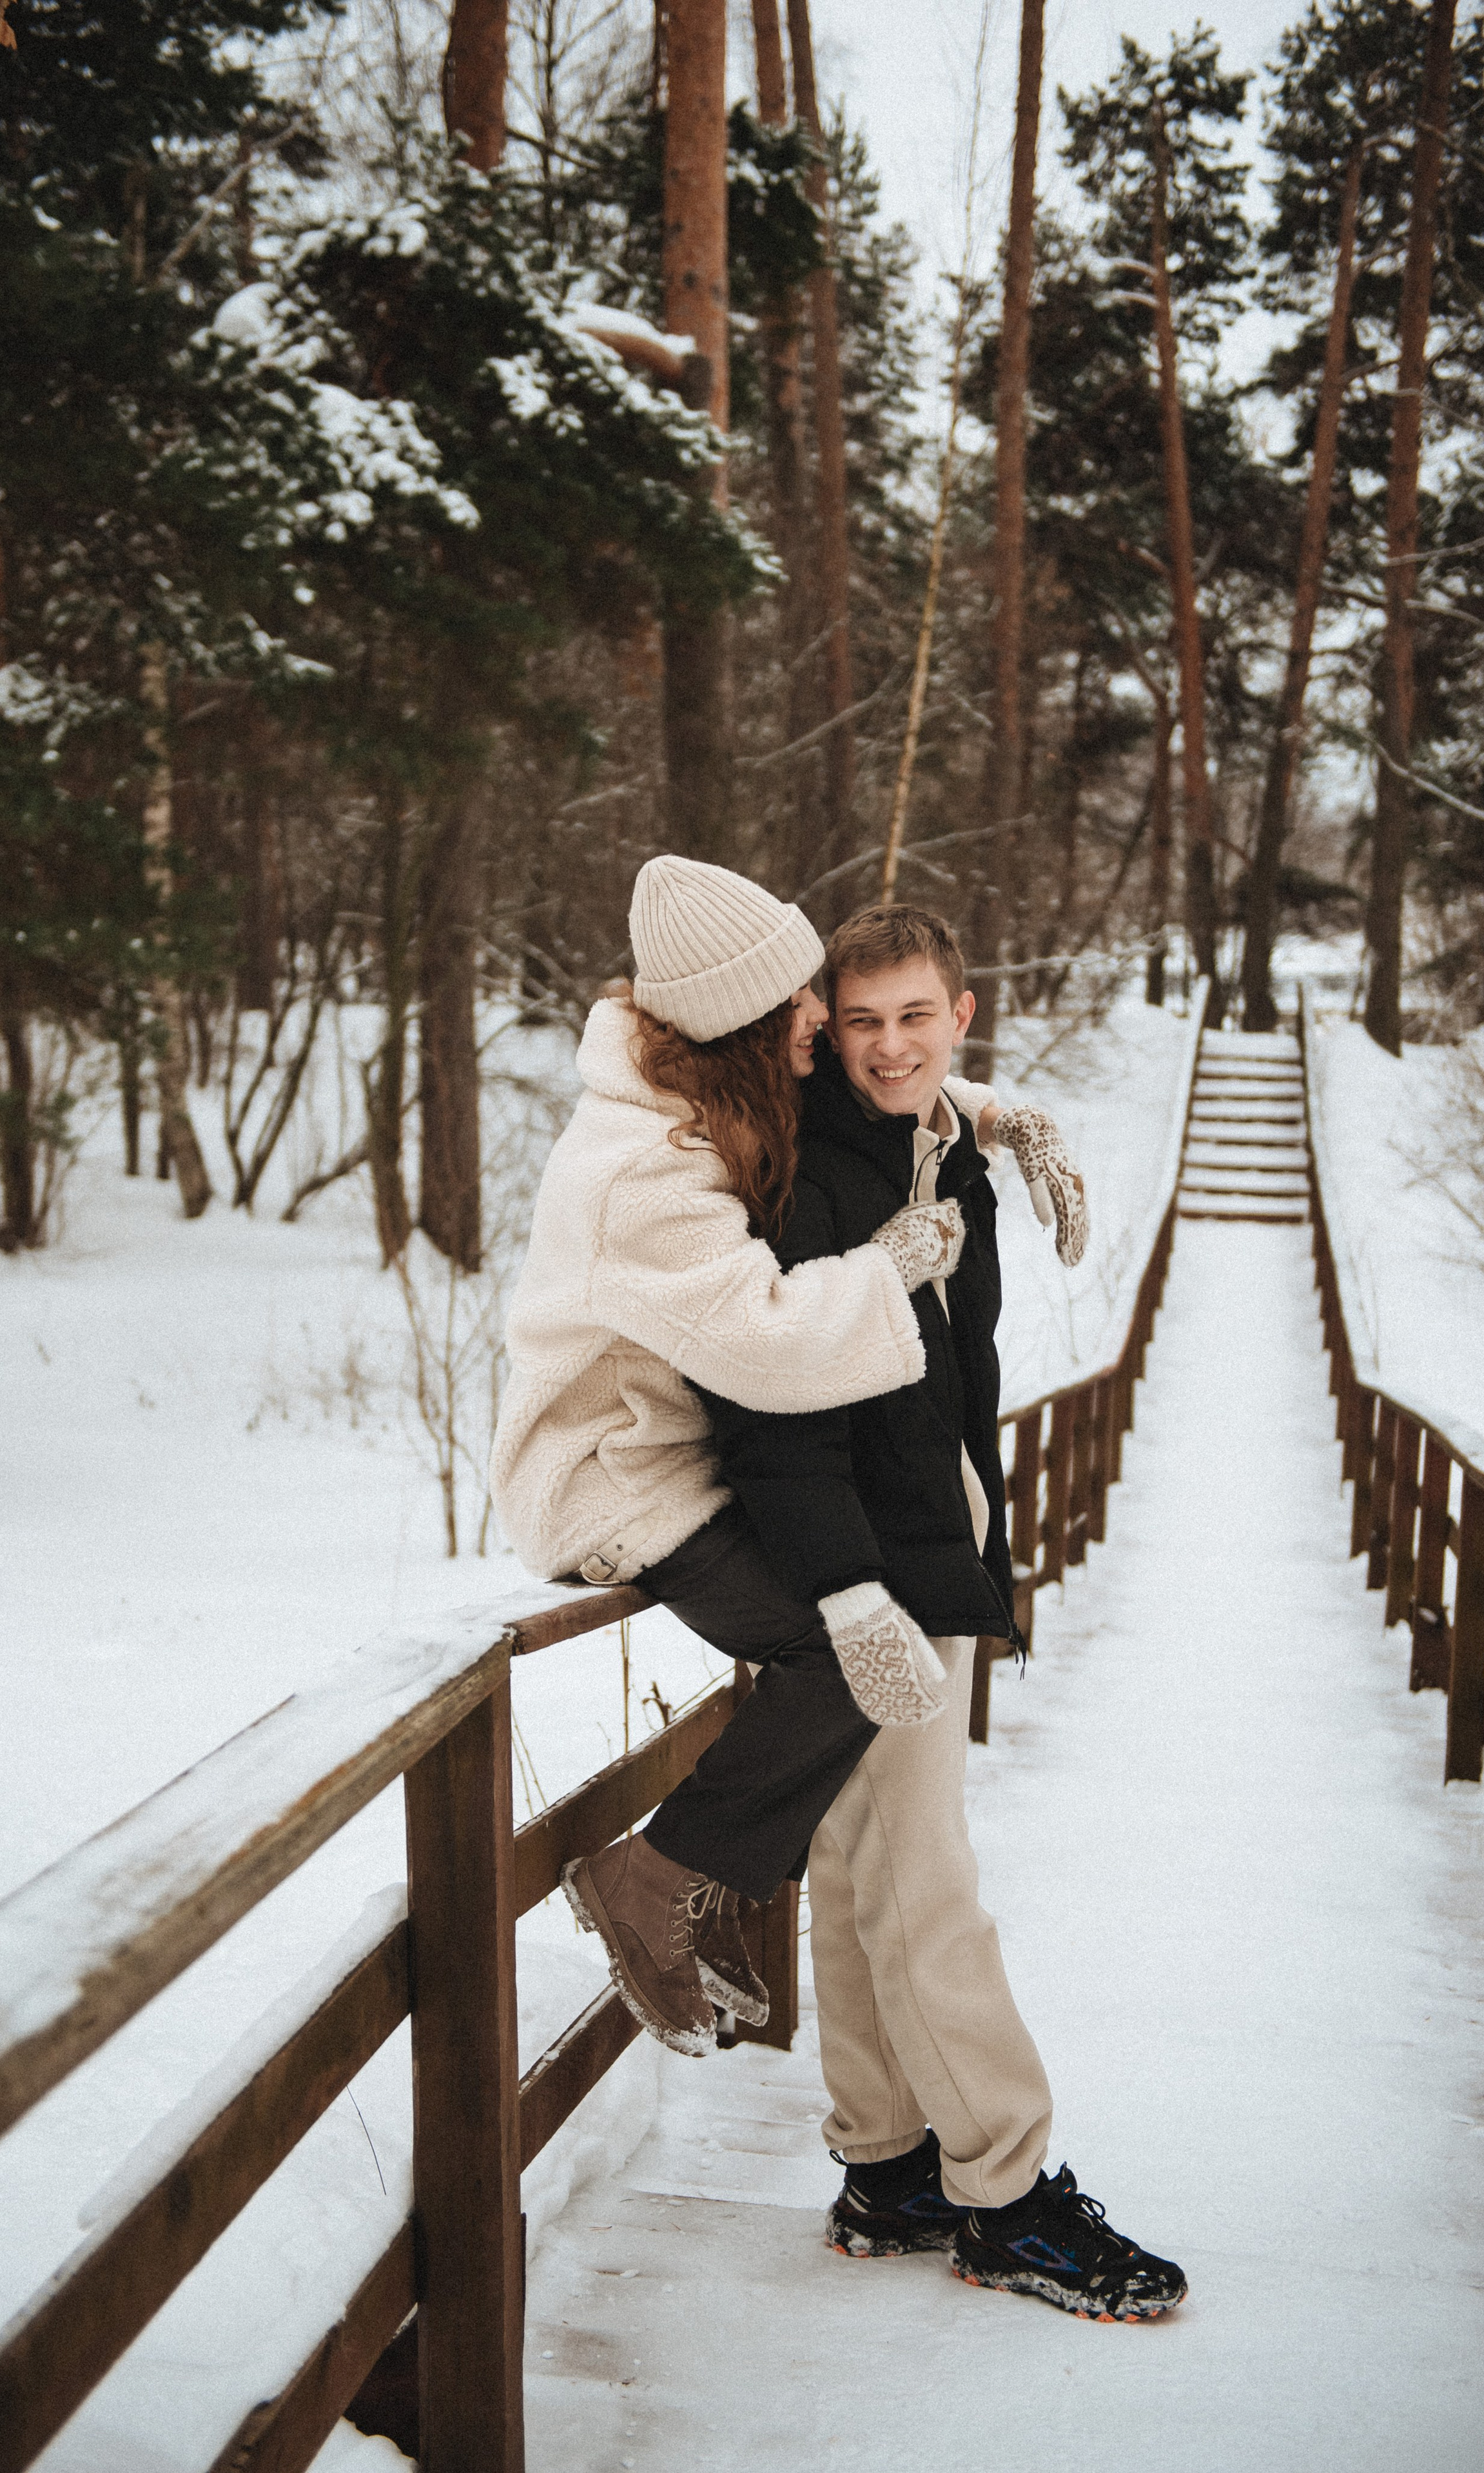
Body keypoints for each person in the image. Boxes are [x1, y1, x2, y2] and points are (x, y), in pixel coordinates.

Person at [695, 902, 1186, 2324]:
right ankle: (1006, 2194)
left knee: (858, 1874)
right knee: (926, 1885)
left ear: (961, 1013)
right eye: (860, 1022)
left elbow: (941, 1359)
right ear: (820, 1032)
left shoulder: (942, 1145)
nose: (889, 1042)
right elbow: (772, 1408)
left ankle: (888, 2165)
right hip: (863, 1563)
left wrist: (1006, 1129)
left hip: (919, 1525)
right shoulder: (809, 1174)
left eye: (916, 1015)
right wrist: (852, 1591)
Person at [491, 856, 970, 2060]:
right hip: (614, 1479)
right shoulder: (643, 1176)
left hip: (673, 1457)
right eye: (806, 1001)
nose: (825, 1016)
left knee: (867, 1639)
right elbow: (763, 1345)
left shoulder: (691, 1095)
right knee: (840, 1655)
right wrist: (891, 1270)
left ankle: (704, 1877)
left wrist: (998, 1117)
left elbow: (874, 1094)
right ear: (749, 1024)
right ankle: (651, 1877)